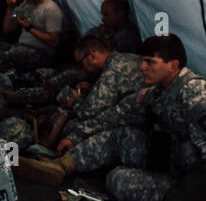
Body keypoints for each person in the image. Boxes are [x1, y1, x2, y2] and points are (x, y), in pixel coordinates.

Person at [22, 35, 206, 201]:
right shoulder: (157, 92)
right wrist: (75, 136)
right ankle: (62, 166)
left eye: (150, 62)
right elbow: (118, 114)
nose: (142, 67)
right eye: (142, 61)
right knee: (121, 134)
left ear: (173, 65)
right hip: (172, 158)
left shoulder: (195, 93)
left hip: (196, 180)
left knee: (118, 179)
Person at [14, 35, 142, 156]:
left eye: (82, 63)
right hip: (132, 116)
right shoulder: (125, 58)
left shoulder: (113, 70)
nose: (83, 68)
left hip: (133, 128)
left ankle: (46, 149)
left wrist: (75, 101)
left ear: (92, 55)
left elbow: (89, 112)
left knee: (71, 125)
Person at [0, 0, 63, 74]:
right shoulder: (25, 4)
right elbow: (8, 29)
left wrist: (29, 28)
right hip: (20, 48)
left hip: (41, 54)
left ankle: (3, 61)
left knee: (14, 54)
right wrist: (10, 7)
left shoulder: (51, 9)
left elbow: (54, 41)